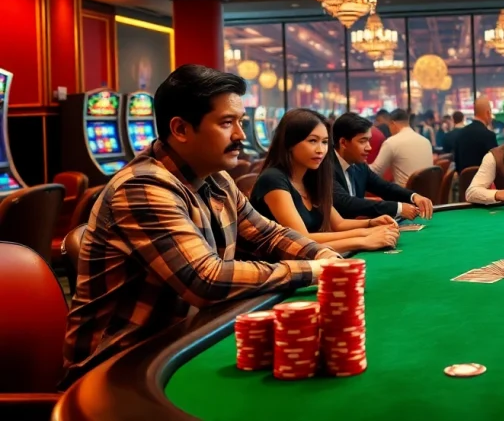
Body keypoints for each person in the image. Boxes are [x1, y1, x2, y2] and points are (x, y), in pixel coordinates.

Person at [62, 65, 339, 388]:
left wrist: (322, 253)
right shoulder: (141, 188)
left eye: (241, 123)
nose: (240, 135)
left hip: (183, 343)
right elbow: (204, 279)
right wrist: (313, 269)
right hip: (115, 373)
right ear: (180, 129)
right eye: (226, 123)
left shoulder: (217, 179)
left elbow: (267, 234)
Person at [249, 108, 399, 253]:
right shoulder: (272, 179)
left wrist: (372, 224)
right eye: (313, 141)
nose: (320, 150)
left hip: (314, 261)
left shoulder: (311, 178)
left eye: (325, 142)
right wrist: (365, 239)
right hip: (278, 270)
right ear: (289, 143)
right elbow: (302, 241)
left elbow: (339, 224)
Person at [332, 112, 434, 220]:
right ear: (343, 143)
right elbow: (346, 203)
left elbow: (385, 188)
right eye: (363, 141)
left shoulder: (359, 166)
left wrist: (413, 196)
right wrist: (398, 208)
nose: (369, 148)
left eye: (368, 141)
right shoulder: (325, 167)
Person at [370, 108, 434, 188]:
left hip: (404, 196)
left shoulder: (391, 142)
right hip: (427, 195)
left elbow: (375, 172)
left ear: (393, 124)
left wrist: (358, 165)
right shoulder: (426, 142)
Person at [453, 98, 498, 173]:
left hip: (464, 182)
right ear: (487, 113)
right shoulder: (489, 135)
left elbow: (457, 165)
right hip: (485, 182)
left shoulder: (460, 134)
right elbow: (495, 165)